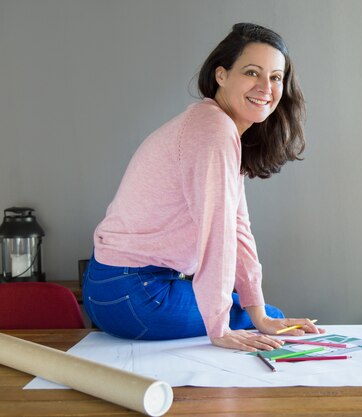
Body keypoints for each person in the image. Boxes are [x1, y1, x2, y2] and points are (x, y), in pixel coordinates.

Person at [83, 23, 322, 352]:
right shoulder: (212, 130)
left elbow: (238, 230)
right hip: (135, 292)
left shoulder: (217, 126)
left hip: (115, 287)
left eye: (276, 77)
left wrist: (257, 311)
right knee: (269, 318)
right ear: (221, 75)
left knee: (266, 317)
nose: (266, 87)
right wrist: (219, 328)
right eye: (252, 72)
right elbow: (217, 234)